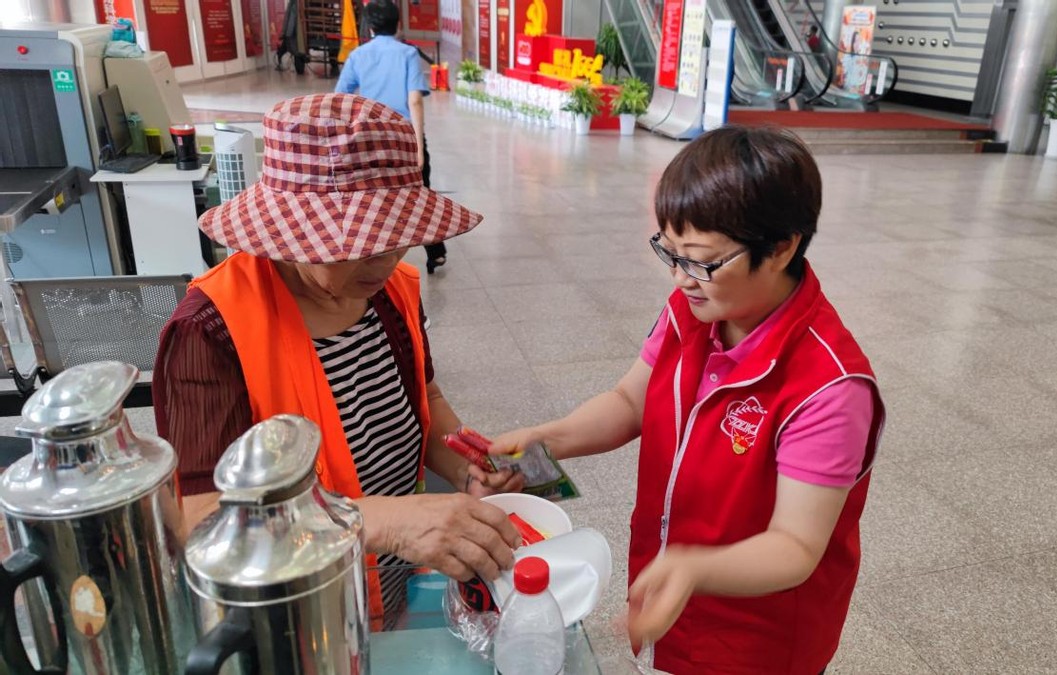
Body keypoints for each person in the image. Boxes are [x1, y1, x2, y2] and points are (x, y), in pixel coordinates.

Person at [490, 127, 885, 673]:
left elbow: (796, 546)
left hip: (760, 637)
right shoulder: (692, 311)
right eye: (669, 253)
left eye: (700, 260)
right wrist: (545, 441)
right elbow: (631, 401)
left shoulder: (828, 386)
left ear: (782, 247)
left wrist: (694, 568)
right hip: (675, 592)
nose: (680, 278)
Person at [154, 93, 523, 626]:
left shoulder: (393, 290)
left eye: (398, 239)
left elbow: (427, 399)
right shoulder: (209, 333)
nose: (386, 260)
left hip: (389, 586)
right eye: (363, 244)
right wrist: (381, 522)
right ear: (289, 230)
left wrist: (467, 468)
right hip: (297, 617)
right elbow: (202, 522)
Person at [335, 0, 448, 274]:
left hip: (370, 139)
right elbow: (415, 101)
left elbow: (340, 98)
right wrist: (418, 147)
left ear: (370, 27)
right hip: (403, 138)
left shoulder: (358, 56)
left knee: (374, 198)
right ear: (398, 24)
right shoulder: (408, 54)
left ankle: (374, 259)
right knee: (419, 195)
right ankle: (435, 252)